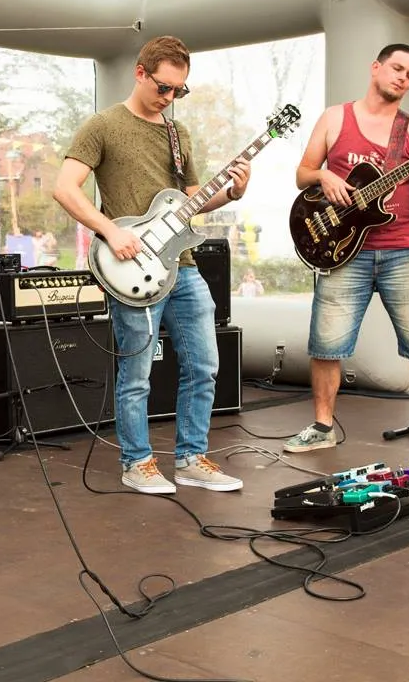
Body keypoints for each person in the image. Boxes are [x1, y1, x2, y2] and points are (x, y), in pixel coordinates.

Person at [53, 35, 249, 495]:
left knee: (205, 366)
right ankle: (136, 462)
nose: (170, 97)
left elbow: (193, 200)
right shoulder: (102, 125)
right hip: (132, 267)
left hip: (183, 265)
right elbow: (64, 188)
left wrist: (233, 192)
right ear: (140, 73)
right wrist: (110, 230)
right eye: (164, 87)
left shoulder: (178, 134)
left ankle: (192, 459)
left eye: (179, 90)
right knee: (137, 374)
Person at [284, 43, 409, 464]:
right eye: (396, 68)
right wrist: (324, 176)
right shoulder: (335, 118)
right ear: (376, 68)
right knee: (326, 344)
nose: (403, 78)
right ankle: (322, 428)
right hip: (341, 249)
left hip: (405, 251)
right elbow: (302, 174)